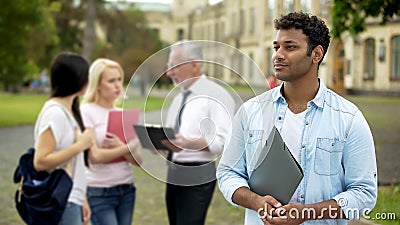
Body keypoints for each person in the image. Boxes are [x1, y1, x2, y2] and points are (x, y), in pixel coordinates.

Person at [217, 11, 377, 225]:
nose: (277, 55)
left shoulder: (349, 119)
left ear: (316, 54)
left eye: (290, 47)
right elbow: (228, 173)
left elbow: (364, 194)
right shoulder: (250, 112)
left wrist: (308, 213)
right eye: (276, 47)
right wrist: (257, 202)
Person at [161, 40, 235, 225]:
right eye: (169, 66)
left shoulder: (216, 95)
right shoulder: (178, 97)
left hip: (198, 175)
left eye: (175, 66)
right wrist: (162, 145)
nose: (170, 72)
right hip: (173, 173)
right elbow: (173, 135)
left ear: (194, 64)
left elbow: (222, 142)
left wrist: (188, 143)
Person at [33, 52, 93, 225]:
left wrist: (82, 198)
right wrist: (81, 145)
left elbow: (75, 165)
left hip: (72, 198)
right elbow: (41, 161)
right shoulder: (55, 113)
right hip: (61, 199)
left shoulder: (69, 111)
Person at [80, 58, 142, 225]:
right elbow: (95, 157)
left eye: (119, 80)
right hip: (99, 192)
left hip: (126, 190)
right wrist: (129, 147)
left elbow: (138, 161)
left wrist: (123, 147)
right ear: (97, 84)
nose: (117, 85)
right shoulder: (86, 112)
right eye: (111, 80)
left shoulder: (123, 114)